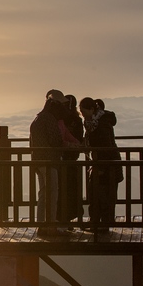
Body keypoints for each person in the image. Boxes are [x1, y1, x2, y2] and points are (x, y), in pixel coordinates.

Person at [79, 97, 122, 234]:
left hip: (107, 165)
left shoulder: (101, 124)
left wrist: (101, 168)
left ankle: (102, 224)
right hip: (101, 164)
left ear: (92, 109)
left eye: (83, 110)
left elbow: (106, 147)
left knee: (103, 195)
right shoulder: (94, 122)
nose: (82, 114)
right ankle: (97, 222)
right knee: (97, 194)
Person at [30, 90, 70, 235]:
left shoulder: (38, 119)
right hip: (49, 161)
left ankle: (42, 224)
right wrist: (69, 145)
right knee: (52, 193)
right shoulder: (49, 119)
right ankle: (50, 226)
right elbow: (55, 141)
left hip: (39, 161)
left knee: (43, 194)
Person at [58, 94, 84, 224]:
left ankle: (62, 219)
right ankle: (69, 217)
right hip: (72, 160)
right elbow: (78, 138)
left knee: (61, 191)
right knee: (71, 191)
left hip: (60, 160)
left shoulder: (60, 120)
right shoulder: (77, 121)